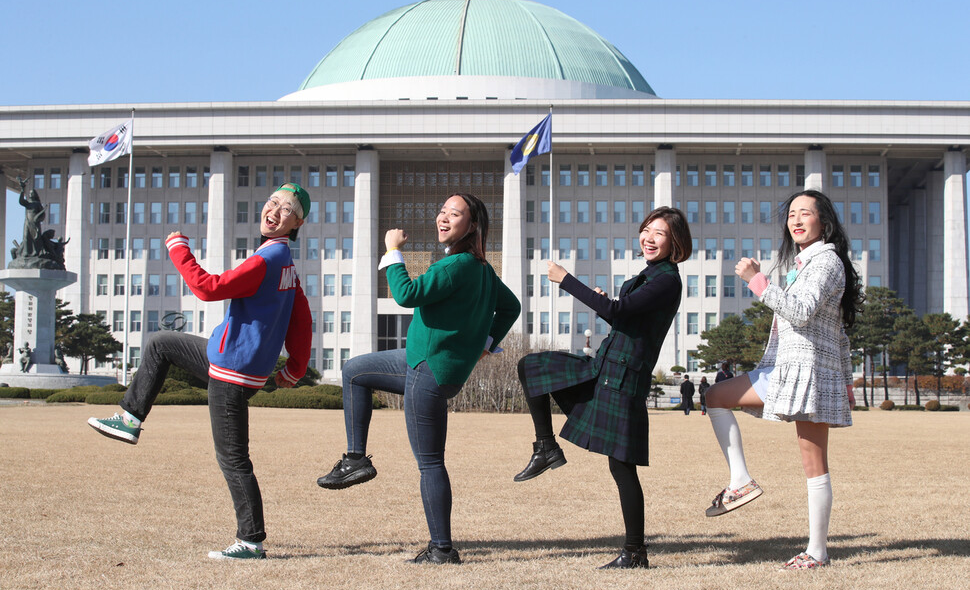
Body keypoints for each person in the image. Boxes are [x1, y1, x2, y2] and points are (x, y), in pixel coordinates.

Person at [88, 183, 312, 561]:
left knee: (233, 459)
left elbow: (208, 289)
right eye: (272, 202)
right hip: (226, 358)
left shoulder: (267, 260)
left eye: (286, 209)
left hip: (232, 372)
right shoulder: (283, 262)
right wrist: (294, 368)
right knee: (161, 343)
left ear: (296, 223)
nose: (274, 210)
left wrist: (179, 251)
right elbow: (301, 317)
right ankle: (130, 417)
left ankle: (251, 540)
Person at [316, 193, 520, 565]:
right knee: (354, 371)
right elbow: (511, 306)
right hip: (422, 363)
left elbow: (406, 295)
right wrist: (488, 341)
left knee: (430, 463)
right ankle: (355, 459)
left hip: (428, 372)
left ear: (471, 226)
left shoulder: (456, 266)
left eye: (454, 214)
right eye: (441, 210)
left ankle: (442, 549)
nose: (443, 217)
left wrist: (393, 251)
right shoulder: (482, 270)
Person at [513, 207, 692, 569]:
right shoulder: (650, 275)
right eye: (646, 230)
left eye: (659, 233)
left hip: (623, 380)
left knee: (622, 468)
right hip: (602, 368)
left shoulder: (667, 279)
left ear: (675, 242)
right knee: (530, 366)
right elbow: (619, 313)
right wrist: (606, 303)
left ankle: (635, 552)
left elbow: (620, 310)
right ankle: (546, 447)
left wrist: (566, 280)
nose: (649, 237)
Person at [702, 189, 861, 570]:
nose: (796, 220)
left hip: (807, 373)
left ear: (824, 221)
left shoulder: (825, 262)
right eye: (792, 214)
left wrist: (757, 281)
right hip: (786, 370)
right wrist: (848, 381)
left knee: (814, 463)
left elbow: (802, 312)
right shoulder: (805, 263)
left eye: (805, 213)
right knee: (715, 396)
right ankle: (740, 480)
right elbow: (838, 332)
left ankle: (817, 552)